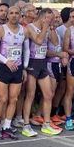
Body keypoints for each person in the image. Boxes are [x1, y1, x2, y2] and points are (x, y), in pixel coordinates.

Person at [22, 8, 63, 136]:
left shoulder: (48, 28)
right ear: (43, 17)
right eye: (49, 18)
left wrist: (51, 29)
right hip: (32, 62)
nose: (51, 21)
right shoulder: (30, 27)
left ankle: (46, 123)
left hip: (42, 62)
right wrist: (45, 28)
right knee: (30, 94)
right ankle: (26, 125)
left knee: (49, 94)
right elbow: (38, 41)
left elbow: (55, 42)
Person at [0, 5, 28, 139]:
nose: (13, 15)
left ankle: (6, 125)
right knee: (2, 98)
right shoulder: (1, 29)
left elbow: (26, 50)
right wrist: (6, 61)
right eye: (11, 13)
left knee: (14, 98)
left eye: (16, 13)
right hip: (4, 67)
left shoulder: (24, 30)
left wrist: (24, 67)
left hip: (17, 68)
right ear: (7, 15)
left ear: (20, 15)